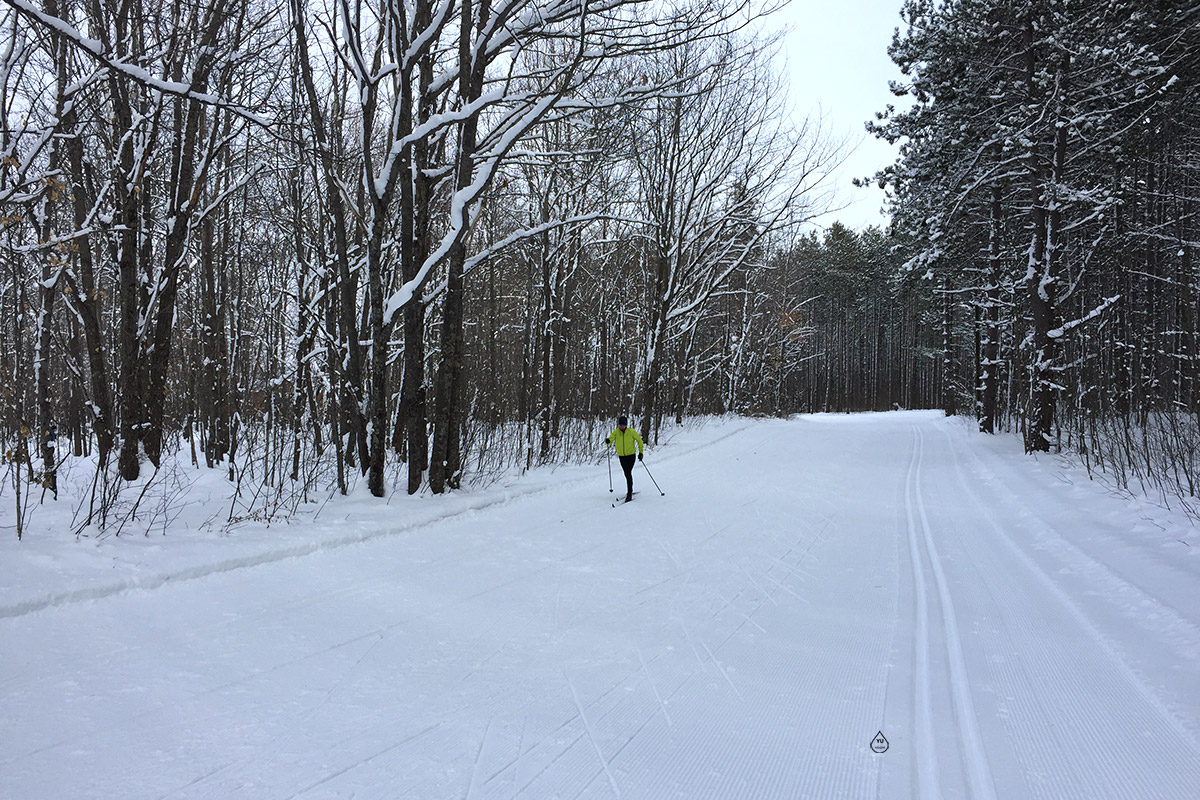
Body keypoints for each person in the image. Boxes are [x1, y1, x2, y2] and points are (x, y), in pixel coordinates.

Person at [605, 415, 644, 502]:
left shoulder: (631, 432)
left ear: (626, 425)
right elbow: (610, 439)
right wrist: (607, 441)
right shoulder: (616, 432)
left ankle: (629, 492)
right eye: (620, 425)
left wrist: (641, 452)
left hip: (631, 456)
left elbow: (639, 441)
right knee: (627, 473)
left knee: (627, 473)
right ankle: (629, 490)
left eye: (623, 425)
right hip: (622, 456)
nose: (622, 426)